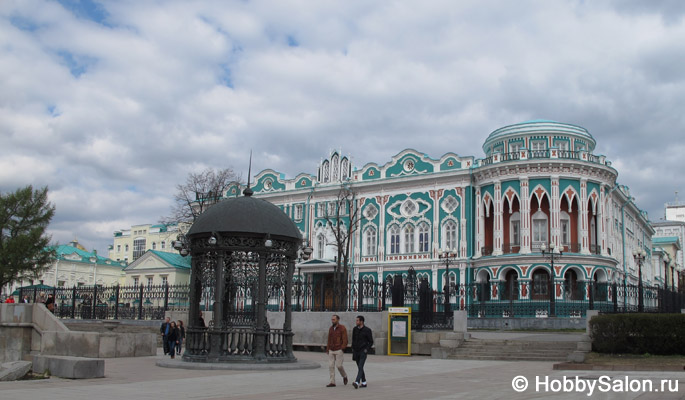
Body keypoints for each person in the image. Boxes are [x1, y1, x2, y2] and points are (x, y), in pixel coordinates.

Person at [326, 314, 348, 387]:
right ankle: (332, 382)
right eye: (332, 319)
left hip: (339, 349)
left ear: (338, 320)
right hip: (331, 349)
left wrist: (342, 348)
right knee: (331, 366)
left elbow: (345, 339)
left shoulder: (342, 328)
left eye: (334, 319)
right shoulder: (331, 328)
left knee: (339, 366)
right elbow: (329, 339)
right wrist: (328, 349)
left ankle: (344, 376)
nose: (332, 321)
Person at [351, 315, 373, 389]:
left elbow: (371, 342)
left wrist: (366, 350)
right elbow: (353, 340)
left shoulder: (367, 330)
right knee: (360, 367)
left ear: (361, 321)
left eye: (357, 320)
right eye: (356, 320)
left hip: (363, 351)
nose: (356, 322)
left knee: (360, 366)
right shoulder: (355, 329)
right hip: (356, 351)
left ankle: (357, 382)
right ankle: (364, 382)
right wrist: (353, 349)